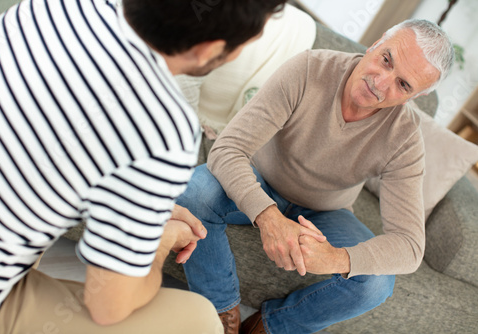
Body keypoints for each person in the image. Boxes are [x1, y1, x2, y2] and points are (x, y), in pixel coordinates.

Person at [0, 0, 287, 333]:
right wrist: (161, 241)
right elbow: (109, 307)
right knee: (199, 320)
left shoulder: (51, 7)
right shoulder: (161, 128)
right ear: (207, 50)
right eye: (242, 47)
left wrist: (141, 208)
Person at [176, 19, 454, 334]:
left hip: (325, 211)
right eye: (386, 60)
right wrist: (269, 218)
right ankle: (222, 313)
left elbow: (410, 247)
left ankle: (269, 326)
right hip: (260, 177)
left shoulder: (404, 138)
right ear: (375, 44)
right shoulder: (310, 69)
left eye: (403, 84)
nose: (381, 81)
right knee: (193, 194)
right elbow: (227, 150)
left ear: (412, 98)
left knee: (376, 284)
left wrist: (335, 258)